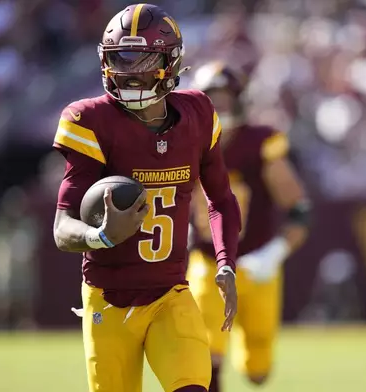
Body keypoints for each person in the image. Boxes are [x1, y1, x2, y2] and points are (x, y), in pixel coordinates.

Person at [52, 4, 241, 392]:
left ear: (170, 61)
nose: (129, 69)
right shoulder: (90, 120)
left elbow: (221, 198)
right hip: (108, 299)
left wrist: (226, 263)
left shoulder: (200, 113)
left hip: (169, 293)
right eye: (120, 57)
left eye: (143, 58)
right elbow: (62, 226)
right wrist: (101, 235)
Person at [187, 62, 311, 391]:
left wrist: (276, 252)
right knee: (204, 353)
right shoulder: (184, 142)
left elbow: (298, 208)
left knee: (258, 371)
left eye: (225, 97)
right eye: (212, 98)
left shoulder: (261, 142)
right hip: (208, 262)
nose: (219, 106)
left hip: (255, 265)